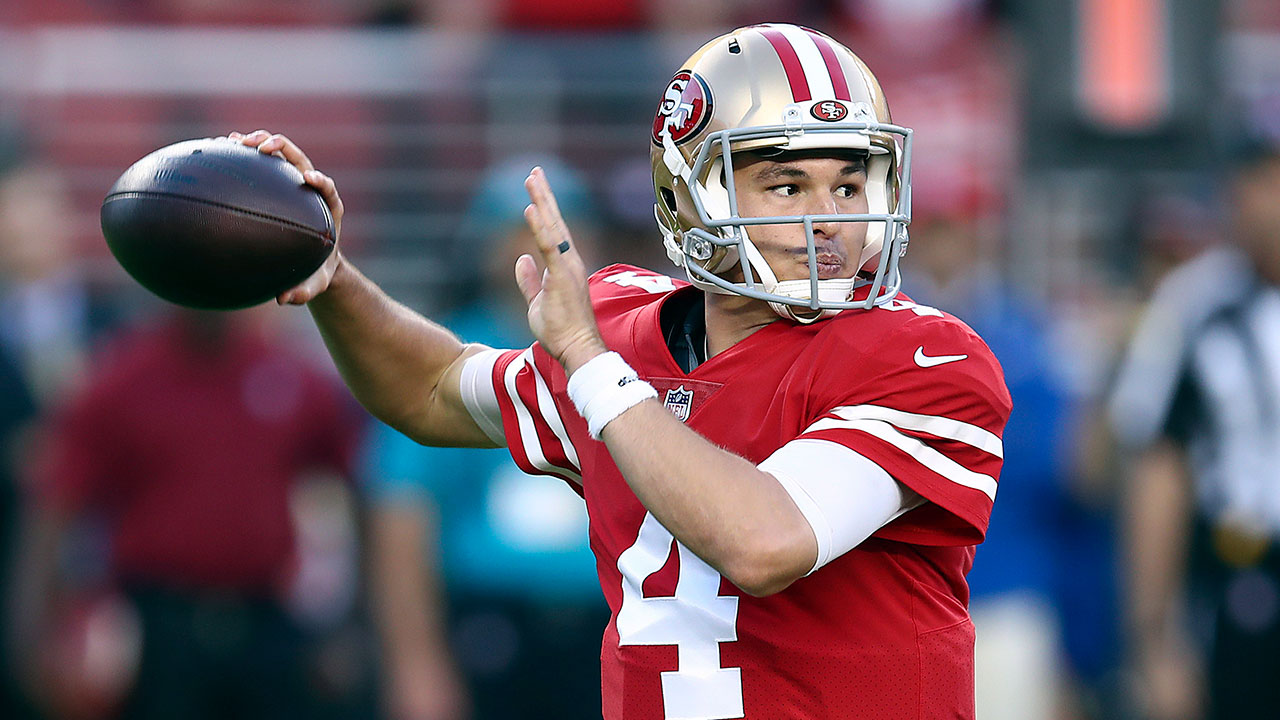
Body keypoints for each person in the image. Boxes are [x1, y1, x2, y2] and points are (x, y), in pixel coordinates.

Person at [234, 22, 1010, 719]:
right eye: (786, 185)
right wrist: (333, 277)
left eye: (849, 182)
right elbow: (433, 389)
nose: (829, 218)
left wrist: (593, 371)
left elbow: (765, 542)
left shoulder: (928, 357)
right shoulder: (625, 330)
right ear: (693, 194)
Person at [11, 308, 364, 720]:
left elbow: (364, 484)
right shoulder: (122, 378)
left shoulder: (289, 373)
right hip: (156, 627)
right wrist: (31, 636)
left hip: (265, 618)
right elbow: (54, 505)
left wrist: (352, 622)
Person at [363, 157, 607, 720]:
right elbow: (402, 514)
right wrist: (416, 662)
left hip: (611, 623)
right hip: (492, 626)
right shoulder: (447, 354)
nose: (541, 244)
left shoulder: (631, 343)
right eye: (517, 230)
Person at [1108, 135, 1280, 720]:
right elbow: (1159, 470)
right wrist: (1154, 641)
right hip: (1244, 576)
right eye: (1263, 181)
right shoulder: (1194, 304)